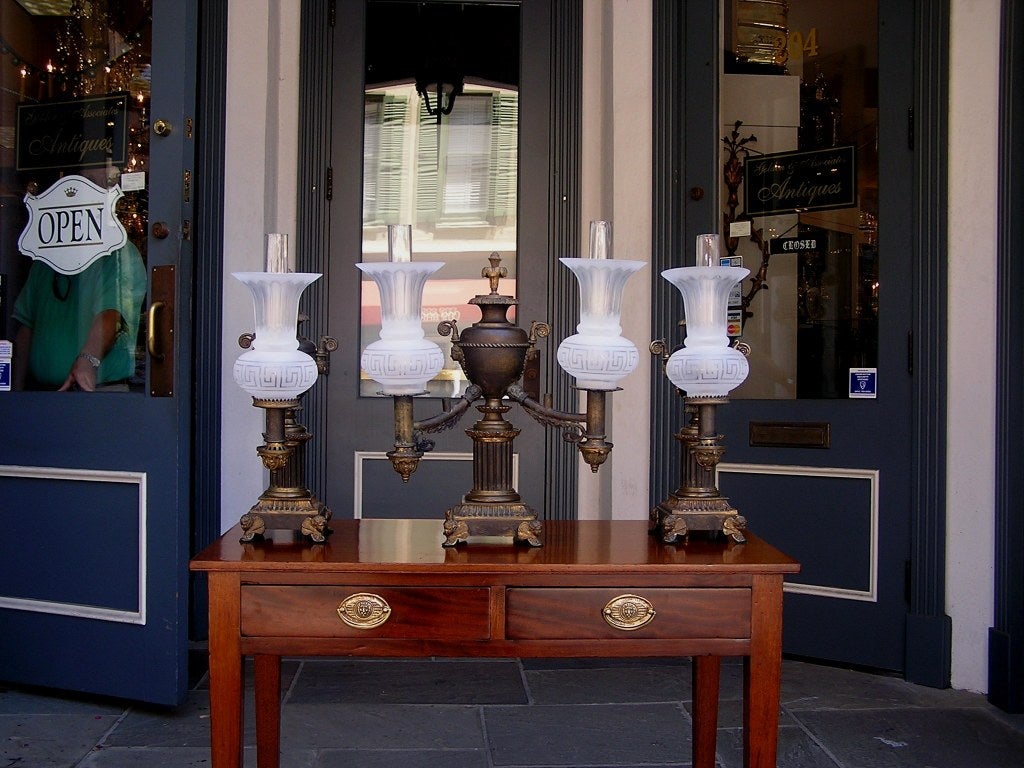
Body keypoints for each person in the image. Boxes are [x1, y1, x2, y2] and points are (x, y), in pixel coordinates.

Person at [11, 242, 146, 391]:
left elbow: (112, 316)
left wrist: (87, 361)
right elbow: (26, 326)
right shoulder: (45, 255)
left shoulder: (116, 249)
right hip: (40, 393)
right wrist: (16, 392)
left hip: (95, 390)